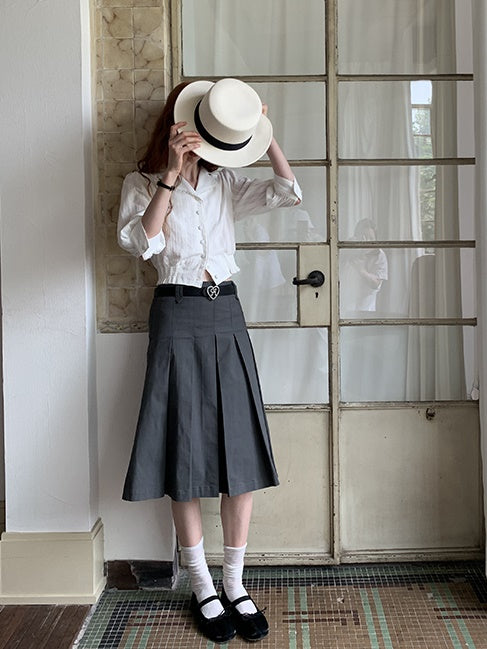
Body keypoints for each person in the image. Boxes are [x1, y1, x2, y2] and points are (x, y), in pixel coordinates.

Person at [117, 78, 302, 644]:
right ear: (177, 126)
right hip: (176, 314)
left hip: (227, 315)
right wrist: (171, 175)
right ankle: (202, 585)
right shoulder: (141, 182)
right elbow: (141, 243)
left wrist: (263, 133)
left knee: (238, 454)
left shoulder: (226, 183)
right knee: (185, 455)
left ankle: (236, 583)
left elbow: (287, 191)